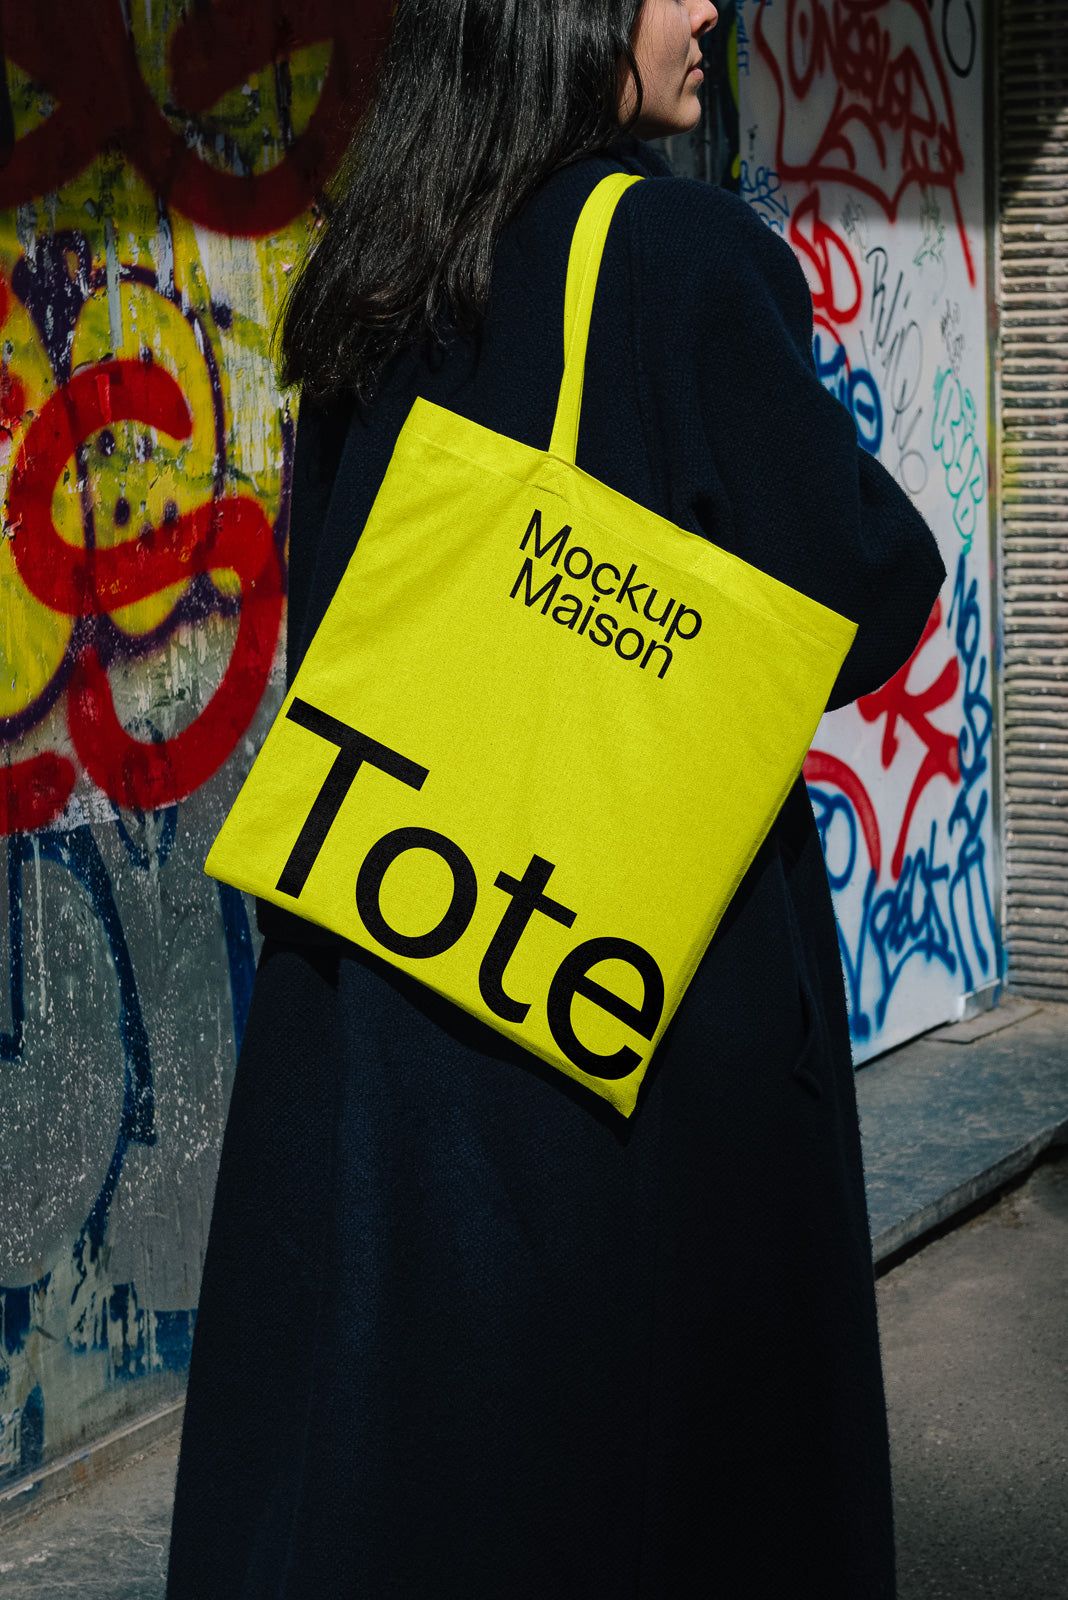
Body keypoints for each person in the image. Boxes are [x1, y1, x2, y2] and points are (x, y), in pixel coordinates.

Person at [167, 3, 944, 1596]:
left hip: (390, 977)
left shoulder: (381, 262)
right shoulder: (677, 254)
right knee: (653, 1484)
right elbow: (862, 590)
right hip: (615, 998)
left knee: (412, 1484)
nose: (711, 11)